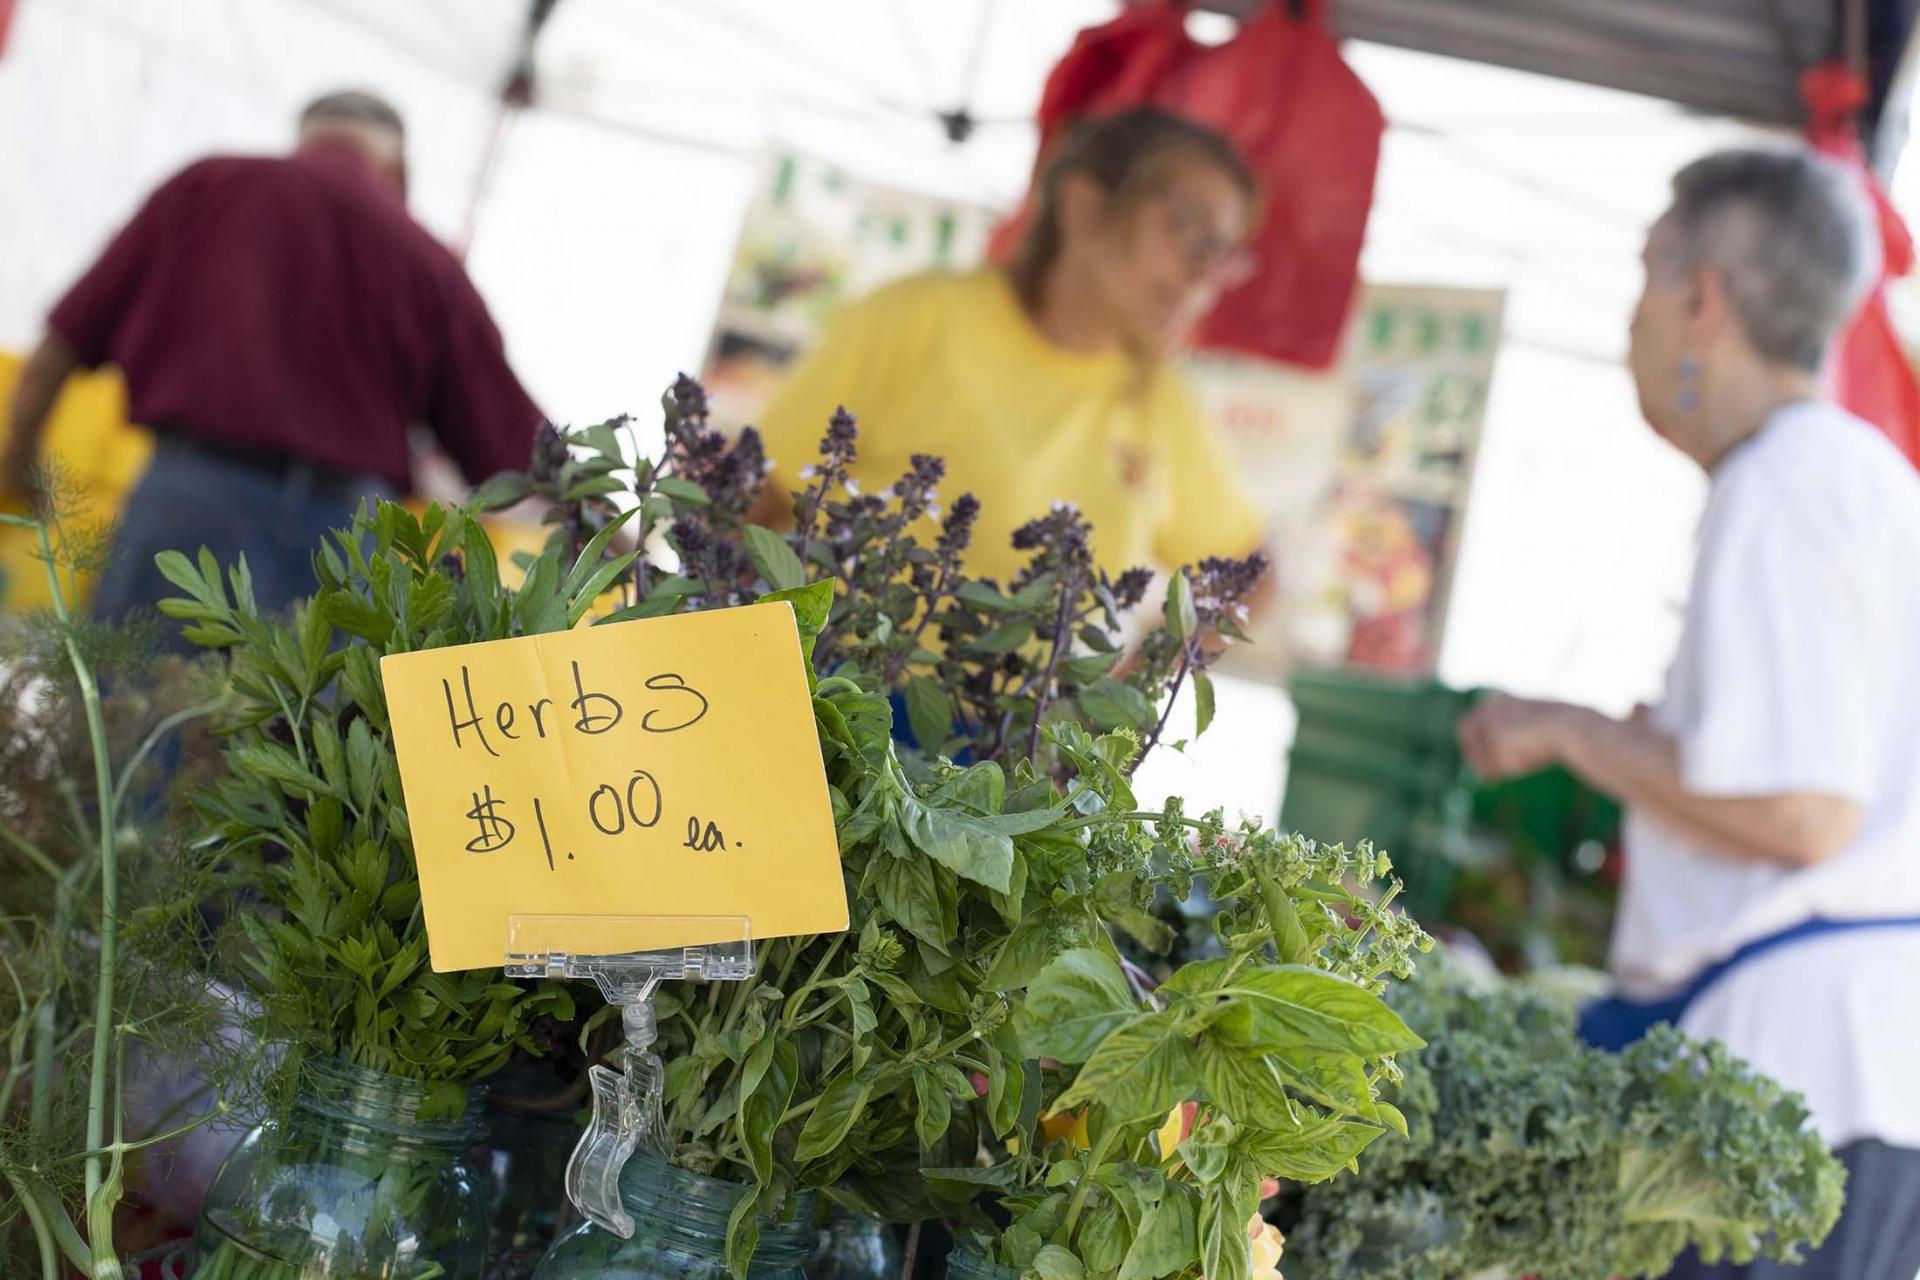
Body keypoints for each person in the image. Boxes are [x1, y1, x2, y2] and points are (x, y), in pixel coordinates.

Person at [1458, 148, 1920, 1279]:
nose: (1632, 327)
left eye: (1644, 283)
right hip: (1855, 1076)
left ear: (1702, 298)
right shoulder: (1857, 476)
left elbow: (1806, 808)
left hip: (1791, 1082)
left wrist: (1573, 732)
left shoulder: (1784, 481)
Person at [1, 90, 542, 623]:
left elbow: (65, 338)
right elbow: (511, 438)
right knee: (303, 711)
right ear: (398, 169)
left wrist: (18, 459)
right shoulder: (428, 261)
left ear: (303, 139)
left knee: (135, 705)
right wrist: (612, 532)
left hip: (193, 498)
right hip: (344, 537)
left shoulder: (205, 187)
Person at [752, 108, 1268, 584]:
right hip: (832, 680)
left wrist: (1140, 676)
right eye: (1190, 228)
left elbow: (1250, 577)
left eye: (1222, 252)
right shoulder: (918, 318)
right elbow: (747, 506)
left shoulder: (1159, 398)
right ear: (1084, 204)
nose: (1203, 274)